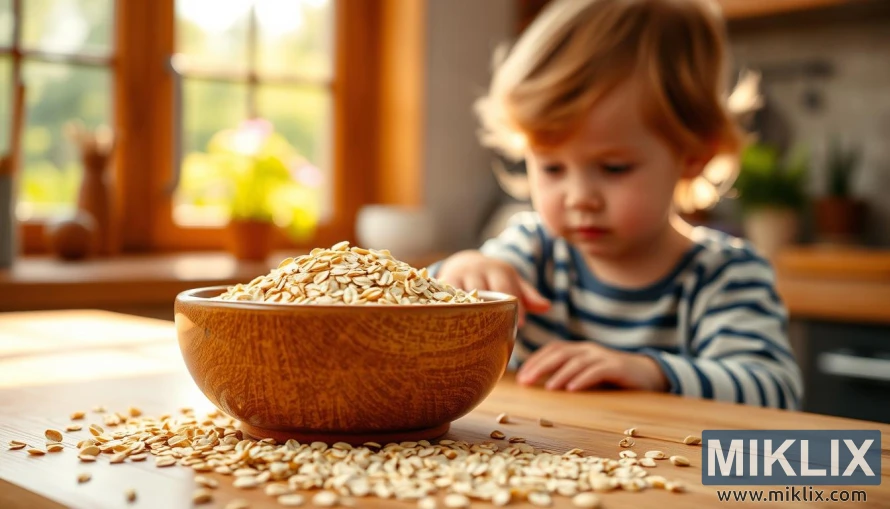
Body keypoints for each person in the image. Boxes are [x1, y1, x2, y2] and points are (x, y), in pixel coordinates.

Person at [431, 0, 803, 409]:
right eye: (552, 167)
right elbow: (422, 308)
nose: (579, 198)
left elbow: (774, 391)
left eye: (613, 168)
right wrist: (456, 274)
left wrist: (652, 371)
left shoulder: (726, 276)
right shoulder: (530, 251)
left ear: (694, 155)